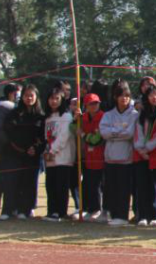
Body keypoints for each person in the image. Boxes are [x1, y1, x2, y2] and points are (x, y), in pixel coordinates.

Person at [99, 81, 138, 226]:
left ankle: (122, 216)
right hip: (110, 158)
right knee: (111, 188)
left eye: (127, 96)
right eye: (121, 96)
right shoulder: (108, 115)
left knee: (124, 189)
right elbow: (104, 132)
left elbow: (130, 133)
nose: (124, 98)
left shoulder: (134, 115)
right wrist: (119, 133)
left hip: (126, 159)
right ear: (115, 97)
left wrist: (113, 133)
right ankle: (113, 214)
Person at [4, 84, 45, 220]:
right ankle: (9, 209)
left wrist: (35, 148)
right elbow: (9, 132)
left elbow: (43, 137)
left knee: (30, 183)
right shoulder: (14, 114)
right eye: (26, 95)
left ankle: (26, 209)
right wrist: (21, 148)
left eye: (31, 95)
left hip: (33, 155)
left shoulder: (41, 116)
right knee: (13, 182)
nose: (29, 98)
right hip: (15, 153)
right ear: (22, 97)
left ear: (36, 97)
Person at [133, 86, 156, 227]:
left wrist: (148, 148)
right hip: (140, 155)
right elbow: (138, 133)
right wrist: (141, 149)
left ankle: (154, 215)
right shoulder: (141, 115)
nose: (155, 98)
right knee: (142, 186)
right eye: (152, 95)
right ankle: (142, 215)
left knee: (155, 186)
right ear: (146, 98)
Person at [42, 86, 75, 221]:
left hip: (63, 157)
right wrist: (46, 151)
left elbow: (63, 137)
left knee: (61, 186)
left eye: (57, 98)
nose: (54, 101)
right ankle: (52, 211)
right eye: (51, 98)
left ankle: (61, 212)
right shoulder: (48, 118)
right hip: (50, 158)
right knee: (50, 185)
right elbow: (47, 137)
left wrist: (52, 151)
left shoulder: (66, 116)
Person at [0, 83, 20, 218]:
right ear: (12, 93)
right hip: (4, 150)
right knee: (3, 181)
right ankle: (3, 209)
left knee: (1, 180)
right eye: (18, 93)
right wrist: (10, 143)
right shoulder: (5, 106)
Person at [77, 94, 106, 222]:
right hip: (88, 157)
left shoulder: (103, 117)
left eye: (96, 103)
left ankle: (98, 209)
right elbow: (73, 128)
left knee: (97, 184)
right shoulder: (83, 117)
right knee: (88, 184)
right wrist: (75, 119)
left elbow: (96, 140)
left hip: (101, 156)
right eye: (91, 104)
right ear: (86, 106)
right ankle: (89, 208)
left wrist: (84, 135)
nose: (94, 106)